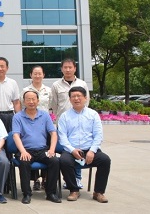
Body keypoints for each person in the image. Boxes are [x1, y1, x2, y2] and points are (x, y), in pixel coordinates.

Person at [58, 86, 111, 203]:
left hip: (89, 149)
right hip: (71, 150)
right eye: (73, 96)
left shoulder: (93, 114)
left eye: (79, 96)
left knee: (105, 160)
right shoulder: (64, 116)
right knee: (64, 161)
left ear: (85, 98)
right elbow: (62, 137)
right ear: (70, 99)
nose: (76, 99)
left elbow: (98, 135)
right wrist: (72, 150)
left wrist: (92, 151)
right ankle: (74, 190)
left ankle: (98, 192)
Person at [12, 90, 62, 204]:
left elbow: (53, 133)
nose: (31, 102)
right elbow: (15, 135)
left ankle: (51, 193)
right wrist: (23, 151)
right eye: (28, 99)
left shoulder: (44, 115)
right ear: (24, 102)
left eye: (33, 99)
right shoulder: (18, 117)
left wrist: (52, 150)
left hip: (42, 150)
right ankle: (26, 194)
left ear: (38, 101)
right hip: (26, 150)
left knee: (54, 161)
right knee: (24, 162)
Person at [49, 58, 89, 189]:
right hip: (63, 123)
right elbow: (54, 104)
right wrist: (58, 119)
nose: (67, 70)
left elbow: (86, 102)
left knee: (77, 149)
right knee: (65, 151)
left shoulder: (82, 84)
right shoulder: (56, 85)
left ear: (75, 68)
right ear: (61, 69)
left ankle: (77, 178)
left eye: (70, 67)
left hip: (79, 123)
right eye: (65, 67)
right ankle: (68, 178)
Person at [21, 65, 52, 191]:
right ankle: (35, 180)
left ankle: (45, 178)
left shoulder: (48, 90)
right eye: (35, 73)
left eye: (40, 73)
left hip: (44, 123)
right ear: (31, 75)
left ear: (43, 75)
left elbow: (52, 105)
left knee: (45, 151)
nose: (37, 76)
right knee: (31, 149)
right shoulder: (25, 90)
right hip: (29, 123)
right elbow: (22, 106)